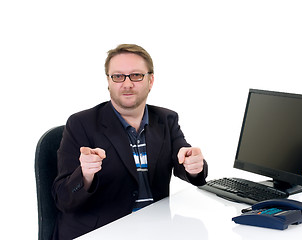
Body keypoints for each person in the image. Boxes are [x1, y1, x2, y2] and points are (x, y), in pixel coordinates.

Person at [52, 44, 208, 240]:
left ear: (150, 80)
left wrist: (193, 167)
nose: (127, 84)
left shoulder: (166, 120)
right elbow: (63, 199)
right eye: (118, 76)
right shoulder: (81, 124)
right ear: (108, 81)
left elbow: (184, 160)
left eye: (136, 75)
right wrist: (85, 175)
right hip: (100, 232)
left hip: (155, 230)